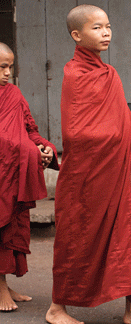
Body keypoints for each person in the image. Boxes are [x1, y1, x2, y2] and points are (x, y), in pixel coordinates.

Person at [45, 5, 131, 324]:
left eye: (108, 26)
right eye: (97, 28)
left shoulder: (109, 73)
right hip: (89, 176)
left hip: (122, 170)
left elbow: (119, 119)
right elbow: (76, 131)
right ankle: (57, 309)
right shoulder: (75, 74)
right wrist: (120, 136)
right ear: (77, 35)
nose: (106, 33)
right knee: (78, 238)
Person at [0, 42, 58, 312]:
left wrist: (43, 148)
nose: (7, 73)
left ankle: (5, 284)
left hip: (14, 173)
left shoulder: (14, 93)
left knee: (14, 227)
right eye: (2, 67)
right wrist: (26, 149)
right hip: (1, 173)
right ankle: (0, 288)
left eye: (10, 66)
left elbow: (28, 130)